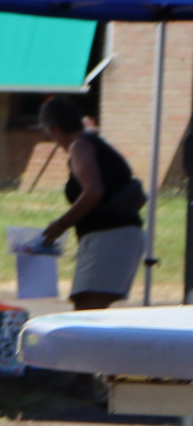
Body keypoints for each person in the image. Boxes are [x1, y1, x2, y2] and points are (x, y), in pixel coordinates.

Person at [38, 96, 146, 309]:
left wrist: (61, 225)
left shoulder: (80, 147)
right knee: (84, 309)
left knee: (87, 315)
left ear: (57, 129)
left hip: (109, 236)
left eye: (49, 134)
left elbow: (93, 191)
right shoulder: (95, 144)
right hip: (114, 235)